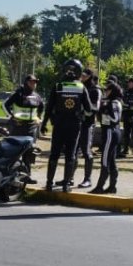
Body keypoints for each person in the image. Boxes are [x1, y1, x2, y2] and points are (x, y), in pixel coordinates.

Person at [40, 59, 93, 192]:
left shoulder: (58, 86)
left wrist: (44, 123)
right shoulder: (81, 87)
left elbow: (49, 107)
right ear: (79, 71)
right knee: (70, 155)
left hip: (58, 125)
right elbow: (89, 109)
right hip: (74, 125)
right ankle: (66, 185)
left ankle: (49, 183)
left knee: (54, 154)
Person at [2, 73, 44, 183]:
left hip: (31, 129)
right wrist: (11, 116)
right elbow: (4, 105)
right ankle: (9, 174)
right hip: (18, 128)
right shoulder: (18, 94)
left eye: (35, 82)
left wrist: (39, 118)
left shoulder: (37, 96)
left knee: (29, 153)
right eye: (32, 82)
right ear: (26, 82)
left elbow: (41, 107)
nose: (34, 84)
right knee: (14, 153)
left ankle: (27, 176)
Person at [91, 80, 123, 194]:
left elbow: (115, 119)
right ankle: (112, 187)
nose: (105, 91)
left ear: (112, 91)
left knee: (104, 160)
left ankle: (100, 186)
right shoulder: (112, 101)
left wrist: (105, 111)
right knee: (111, 160)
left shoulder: (114, 103)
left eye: (107, 90)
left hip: (111, 131)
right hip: (111, 131)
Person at [76, 67, 102, 188]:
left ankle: (88, 179)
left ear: (90, 76)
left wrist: (84, 108)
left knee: (86, 151)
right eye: (82, 75)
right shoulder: (78, 87)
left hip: (88, 124)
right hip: (76, 123)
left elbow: (96, 108)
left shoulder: (95, 90)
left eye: (85, 75)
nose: (82, 77)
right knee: (73, 151)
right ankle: (69, 178)